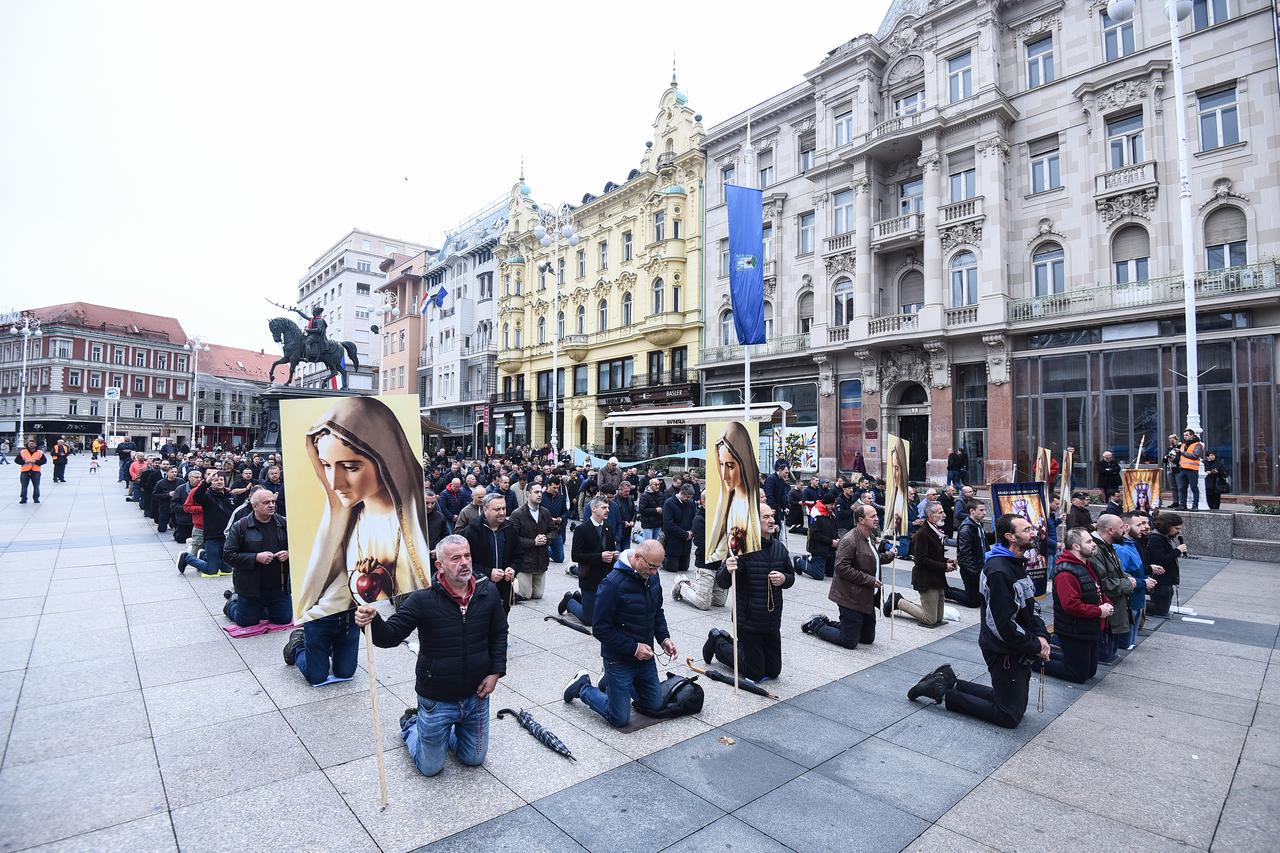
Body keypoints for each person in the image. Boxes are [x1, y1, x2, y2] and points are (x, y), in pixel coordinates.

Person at [356, 535, 507, 778]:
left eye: (467, 555)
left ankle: (446, 733)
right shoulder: (422, 599)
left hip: (476, 696)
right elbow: (390, 636)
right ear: (440, 565)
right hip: (437, 698)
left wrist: (495, 672)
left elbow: (499, 633)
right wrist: (370, 622)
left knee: (474, 758)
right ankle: (411, 724)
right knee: (430, 768)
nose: (464, 563)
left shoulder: (487, 591)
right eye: (455, 558)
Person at [906, 514, 1050, 730]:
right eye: (1027, 529)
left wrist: (1041, 635)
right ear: (1011, 537)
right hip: (1003, 650)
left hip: (1018, 646)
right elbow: (1001, 625)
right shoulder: (999, 571)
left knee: (1007, 701)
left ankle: (947, 681)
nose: (1033, 533)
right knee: (1009, 715)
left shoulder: (1016, 564)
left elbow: (1031, 607)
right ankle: (942, 692)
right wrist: (1035, 644)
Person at [295, 397, 432, 622]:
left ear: (386, 460)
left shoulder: (414, 521)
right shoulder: (349, 524)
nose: (334, 483)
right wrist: (308, 619)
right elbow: (343, 587)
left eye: (350, 467)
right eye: (326, 466)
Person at [562, 540, 678, 728]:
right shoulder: (612, 584)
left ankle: (609, 680)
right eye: (652, 567)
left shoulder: (652, 577)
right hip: (618, 658)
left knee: (654, 705)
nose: (655, 572)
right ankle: (582, 687)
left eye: (658, 567)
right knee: (620, 719)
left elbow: (657, 611)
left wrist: (664, 638)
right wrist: (633, 648)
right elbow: (599, 628)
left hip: (645, 656)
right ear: (637, 557)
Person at [706, 503, 793, 682]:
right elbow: (722, 582)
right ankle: (718, 642)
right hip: (748, 620)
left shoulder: (780, 548)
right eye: (765, 517)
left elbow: (790, 577)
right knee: (755, 673)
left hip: (771, 619)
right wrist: (727, 569)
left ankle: (734, 645)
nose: (771, 520)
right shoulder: (742, 548)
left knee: (774, 671)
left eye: (772, 516)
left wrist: (784, 578)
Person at [802, 504, 894, 649]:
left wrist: (889, 556)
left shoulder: (869, 537)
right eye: (873, 516)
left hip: (866, 597)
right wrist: (869, 580)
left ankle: (830, 623)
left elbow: (871, 558)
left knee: (867, 638)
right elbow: (841, 568)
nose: (877, 519)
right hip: (850, 597)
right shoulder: (850, 540)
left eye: (876, 515)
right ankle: (815, 624)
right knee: (849, 641)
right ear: (861, 520)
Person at [1043, 527, 1113, 684]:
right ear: (1076, 546)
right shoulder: (1065, 572)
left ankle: (1044, 653)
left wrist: (1106, 604)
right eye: (1088, 541)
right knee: (1078, 675)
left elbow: (1097, 589)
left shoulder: (1086, 564)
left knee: (1090, 672)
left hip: (1089, 627)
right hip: (1074, 630)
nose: (1093, 544)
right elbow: (1071, 605)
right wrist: (1098, 611)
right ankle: (1033, 661)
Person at [221, 489, 293, 627]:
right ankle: (231, 603)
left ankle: (261, 608)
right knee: (246, 622)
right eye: (266, 502)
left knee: (283, 619)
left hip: (279, 586)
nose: (271, 505)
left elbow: (300, 547)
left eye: (273, 501)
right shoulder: (240, 526)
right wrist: (255, 558)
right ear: (254, 506)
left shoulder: (284, 523)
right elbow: (228, 555)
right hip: (250, 587)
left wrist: (288, 553)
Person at [884, 500, 953, 627]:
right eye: (940, 512)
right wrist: (944, 566)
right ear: (931, 517)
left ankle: (903, 602)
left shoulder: (937, 531)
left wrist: (947, 562)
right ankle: (897, 601)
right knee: (930, 620)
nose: (944, 515)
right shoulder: (923, 534)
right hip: (926, 579)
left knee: (938, 619)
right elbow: (921, 560)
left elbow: (935, 556)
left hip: (937, 578)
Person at [706, 423, 763, 564]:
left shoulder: (754, 504)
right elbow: (722, 547)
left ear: (744, 462)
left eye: (730, 466)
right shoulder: (727, 501)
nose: (725, 475)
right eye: (721, 464)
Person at [562, 495, 617, 626]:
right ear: (594, 509)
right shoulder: (582, 529)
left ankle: (580, 599)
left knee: (605, 615)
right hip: (589, 578)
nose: (607, 510)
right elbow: (576, 556)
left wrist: (614, 555)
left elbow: (610, 550)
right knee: (589, 620)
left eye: (608, 507)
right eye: (604, 507)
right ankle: (570, 600)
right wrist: (600, 556)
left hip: (606, 578)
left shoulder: (609, 528)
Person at [461, 492, 517, 612]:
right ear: (485, 509)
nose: (502, 512)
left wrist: (512, 568)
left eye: (504, 508)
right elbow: (464, 563)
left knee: (502, 623)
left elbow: (518, 555)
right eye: (497, 509)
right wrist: (488, 573)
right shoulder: (472, 531)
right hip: (479, 589)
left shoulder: (510, 528)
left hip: (504, 589)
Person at [1090, 514, 1133, 665]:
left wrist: (1127, 577)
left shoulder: (1107, 545)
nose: (1124, 530)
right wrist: (1128, 584)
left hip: (1115, 610)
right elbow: (1102, 583)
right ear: (1109, 530)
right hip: (1107, 613)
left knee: (1112, 651)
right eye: (1121, 527)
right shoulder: (1095, 549)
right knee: (1105, 655)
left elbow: (1115, 570)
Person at [673, 493, 728, 611]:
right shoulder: (699, 519)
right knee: (703, 604)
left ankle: (696, 587)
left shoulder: (721, 517)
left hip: (719, 566)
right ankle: (681, 585)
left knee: (719, 602)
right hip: (706, 564)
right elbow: (702, 545)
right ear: (703, 502)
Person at [1114, 511, 1157, 650]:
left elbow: (1135, 571)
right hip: (1129, 602)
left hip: (1136, 600)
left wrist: (1145, 579)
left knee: (1130, 642)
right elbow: (1121, 578)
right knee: (1125, 644)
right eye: (1139, 524)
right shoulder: (1121, 549)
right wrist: (1143, 582)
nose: (1144, 527)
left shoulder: (1132, 544)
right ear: (1126, 527)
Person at [180, 472, 235, 578]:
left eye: (221, 480)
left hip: (227, 537)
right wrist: (207, 481)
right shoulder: (207, 497)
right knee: (212, 571)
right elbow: (196, 496)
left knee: (227, 569)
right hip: (212, 537)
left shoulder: (231, 496)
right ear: (211, 483)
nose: (219, 482)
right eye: (216, 480)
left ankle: (205, 555)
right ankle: (186, 557)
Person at [510, 482, 556, 600]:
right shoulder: (517, 514)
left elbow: (554, 531)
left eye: (541, 492)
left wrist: (547, 538)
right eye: (536, 492)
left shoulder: (545, 512)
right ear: (528, 493)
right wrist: (533, 542)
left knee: (538, 595)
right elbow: (513, 539)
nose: (539, 494)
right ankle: (512, 583)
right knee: (525, 595)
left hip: (541, 560)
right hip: (525, 561)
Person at [945, 499, 986, 608]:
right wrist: (975, 572)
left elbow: (984, 541)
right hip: (971, 569)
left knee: (977, 597)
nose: (984, 513)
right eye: (981, 510)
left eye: (984, 510)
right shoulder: (967, 528)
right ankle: (946, 592)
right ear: (972, 511)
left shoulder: (978, 524)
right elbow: (964, 555)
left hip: (979, 566)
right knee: (973, 602)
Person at [1145, 512, 1185, 618]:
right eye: (1176, 528)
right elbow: (1161, 559)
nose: (1178, 532)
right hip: (1160, 579)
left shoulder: (1166, 537)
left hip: (1167, 579)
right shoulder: (1155, 539)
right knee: (1160, 609)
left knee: (1163, 608)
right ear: (1168, 526)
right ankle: (1135, 606)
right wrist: (1177, 551)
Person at [661, 484, 697, 572]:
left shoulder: (691, 504)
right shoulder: (669, 503)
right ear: (682, 493)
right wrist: (684, 534)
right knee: (672, 568)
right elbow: (669, 524)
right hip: (673, 540)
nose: (689, 499)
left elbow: (695, 519)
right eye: (687, 497)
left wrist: (692, 532)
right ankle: (661, 560)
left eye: (690, 497)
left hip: (687, 541)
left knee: (684, 568)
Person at [802, 498, 839, 580]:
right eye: (830, 504)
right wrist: (830, 541)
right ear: (825, 504)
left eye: (833, 504)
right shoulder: (816, 514)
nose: (832, 507)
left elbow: (835, 531)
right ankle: (799, 561)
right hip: (819, 549)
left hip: (830, 550)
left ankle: (811, 560)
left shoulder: (832, 515)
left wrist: (837, 539)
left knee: (831, 573)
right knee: (818, 575)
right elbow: (814, 535)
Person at [1175, 429, 1204, 511]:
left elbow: (1195, 455)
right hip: (1183, 468)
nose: (1185, 437)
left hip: (1192, 469)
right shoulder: (1183, 444)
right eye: (1184, 435)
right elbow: (1180, 456)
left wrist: (1182, 452)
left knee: (1194, 487)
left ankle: (1195, 506)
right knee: (1182, 488)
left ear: (1192, 435)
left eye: (1187, 435)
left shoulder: (1198, 445)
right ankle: (1183, 505)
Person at [543, 478, 568, 564]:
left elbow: (565, 512)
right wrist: (549, 519)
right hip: (544, 530)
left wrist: (561, 518)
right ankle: (544, 549)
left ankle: (548, 551)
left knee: (560, 558)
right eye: (554, 487)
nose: (556, 490)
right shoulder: (542, 497)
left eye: (558, 488)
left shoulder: (561, 497)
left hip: (557, 530)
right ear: (548, 486)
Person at [17, 439, 47, 504]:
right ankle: (23, 498)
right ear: (27, 445)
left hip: (36, 471)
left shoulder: (40, 452)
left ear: (35, 445)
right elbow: (17, 460)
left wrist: (36, 462)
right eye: (30, 444)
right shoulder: (23, 452)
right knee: (24, 486)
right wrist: (24, 461)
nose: (31, 445)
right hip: (25, 471)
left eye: (33, 444)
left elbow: (44, 461)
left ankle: (36, 498)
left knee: (36, 486)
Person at [153, 468, 180, 534]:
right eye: (172, 472)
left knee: (179, 528)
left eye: (175, 472)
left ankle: (173, 524)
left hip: (176, 507)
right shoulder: (160, 483)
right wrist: (168, 494)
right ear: (167, 473)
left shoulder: (180, 481)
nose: (174, 473)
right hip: (165, 507)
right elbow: (155, 494)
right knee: (161, 529)